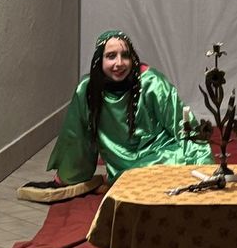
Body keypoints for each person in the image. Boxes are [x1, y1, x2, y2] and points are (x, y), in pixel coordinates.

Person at [44, 30, 212, 190]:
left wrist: (204, 166)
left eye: (125, 55)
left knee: (176, 163)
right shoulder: (87, 89)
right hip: (121, 166)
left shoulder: (152, 82)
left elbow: (183, 126)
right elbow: (77, 138)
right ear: (99, 60)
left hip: (159, 155)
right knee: (135, 178)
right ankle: (126, 179)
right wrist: (67, 176)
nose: (119, 63)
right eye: (111, 56)